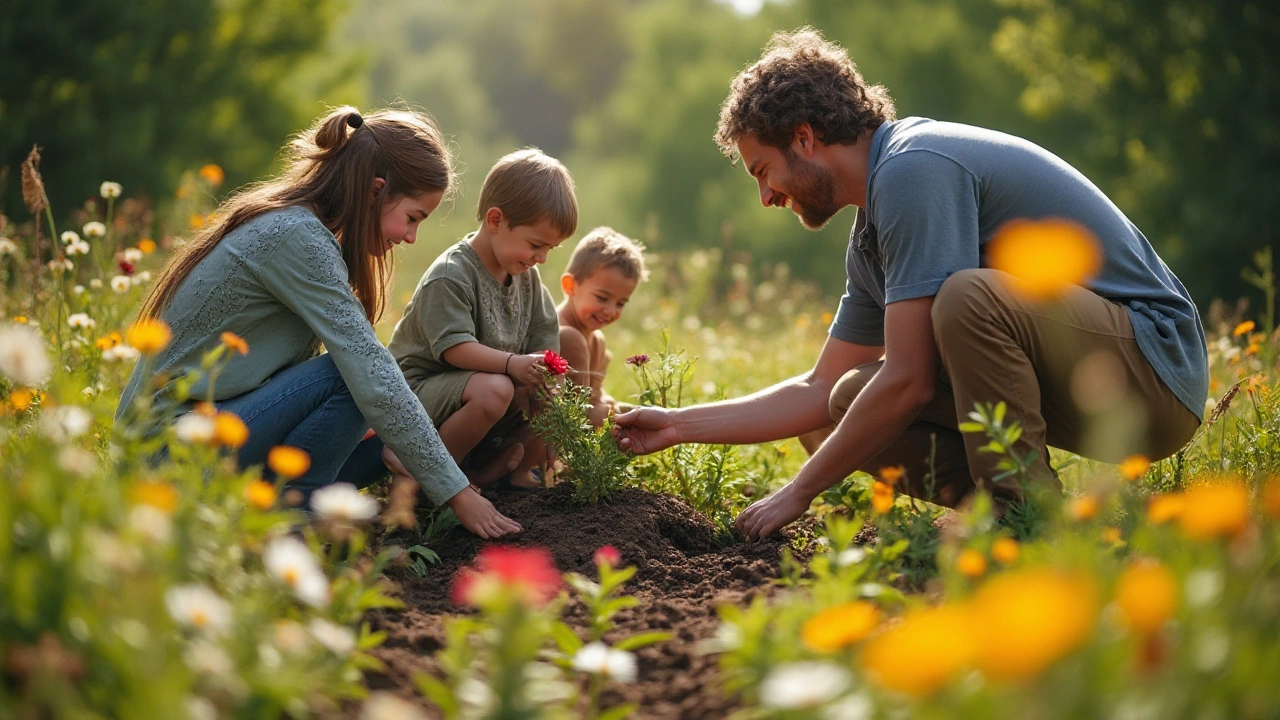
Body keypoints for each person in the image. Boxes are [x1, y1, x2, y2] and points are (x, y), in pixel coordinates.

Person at [613, 29, 1208, 541]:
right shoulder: (872, 231)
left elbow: (909, 380)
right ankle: (1031, 523)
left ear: (804, 138)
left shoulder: (913, 168)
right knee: (840, 405)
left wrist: (797, 493)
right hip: (1086, 377)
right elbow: (819, 388)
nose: (765, 196)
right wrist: (676, 424)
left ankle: (1025, 520)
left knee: (967, 299)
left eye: (762, 172)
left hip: (1153, 371)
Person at [116, 106, 522, 539]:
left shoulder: (304, 229)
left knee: (386, 433)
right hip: (166, 453)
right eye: (412, 218)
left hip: (213, 429)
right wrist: (457, 494)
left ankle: (301, 511)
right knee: (352, 378)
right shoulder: (296, 237)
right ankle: (298, 527)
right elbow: (367, 368)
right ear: (376, 191)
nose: (410, 237)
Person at [386, 149, 575, 491]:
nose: (543, 258)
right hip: (417, 394)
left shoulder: (527, 280)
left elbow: (547, 347)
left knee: (544, 393)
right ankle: (431, 477)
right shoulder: (451, 275)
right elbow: (455, 349)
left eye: (551, 249)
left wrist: (550, 406)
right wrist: (513, 364)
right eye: (535, 244)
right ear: (495, 220)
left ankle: (495, 475)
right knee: (498, 388)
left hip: (475, 394)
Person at [556, 227, 648, 427]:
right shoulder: (566, 336)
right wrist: (612, 410)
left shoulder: (596, 340)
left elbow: (594, 397)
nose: (610, 310)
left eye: (620, 303)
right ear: (570, 285)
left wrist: (611, 406)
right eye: (602, 298)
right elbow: (580, 412)